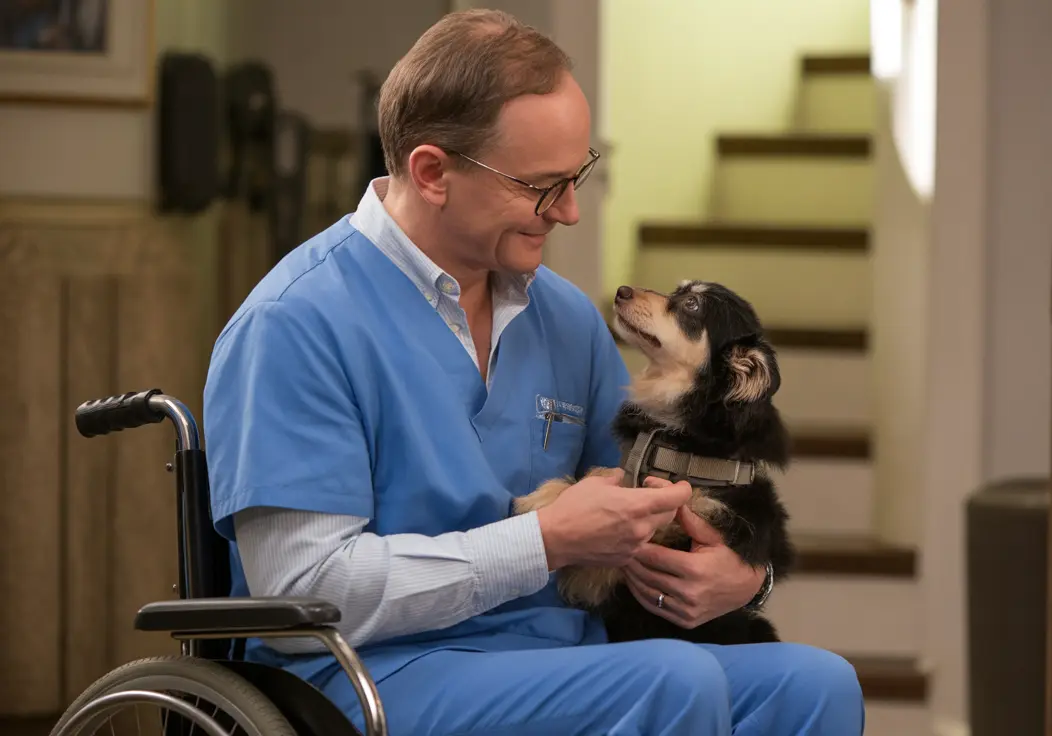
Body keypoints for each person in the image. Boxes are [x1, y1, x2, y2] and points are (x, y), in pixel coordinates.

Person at [202, 9, 865, 736]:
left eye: (578, 175)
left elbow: (642, 521)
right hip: (367, 674)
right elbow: (307, 593)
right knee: (670, 682)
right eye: (541, 186)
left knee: (814, 685)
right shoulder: (295, 324)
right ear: (431, 173)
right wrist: (543, 541)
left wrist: (742, 577)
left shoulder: (565, 318)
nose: (572, 212)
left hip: (562, 653)